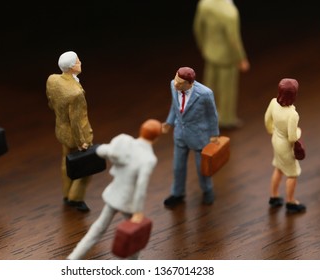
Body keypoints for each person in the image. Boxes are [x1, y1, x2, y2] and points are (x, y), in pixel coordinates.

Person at [67, 119, 162, 260]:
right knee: (133, 234)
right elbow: (141, 187)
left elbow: (104, 150)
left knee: (97, 229)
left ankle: (73, 258)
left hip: (114, 195)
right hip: (128, 203)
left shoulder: (126, 142)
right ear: (156, 138)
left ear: (141, 131)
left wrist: (96, 149)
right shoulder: (149, 158)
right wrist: (138, 211)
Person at [162, 67, 219, 208]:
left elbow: (212, 115)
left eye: (180, 82)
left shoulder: (205, 94)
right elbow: (174, 106)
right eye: (175, 79)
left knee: (202, 168)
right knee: (178, 166)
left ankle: (207, 190)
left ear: (189, 83)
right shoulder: (173, 85)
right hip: (180, 134)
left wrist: (214, 134)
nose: (176, 84)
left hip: (199, 136)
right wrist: (169, 122)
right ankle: (177, 193)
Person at [46, 51, 93, 212]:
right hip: (76, 136)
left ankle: (66, 193)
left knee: (66, 163)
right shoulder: (76, 94)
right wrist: (82, 142)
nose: (81, 62)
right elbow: (76, 121)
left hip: (61, 130)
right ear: (73, 67)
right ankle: (75, 198)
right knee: (85, 166)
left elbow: (51, 102)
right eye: (79, 61)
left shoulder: (52, 79)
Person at [193, 0, 250, 129]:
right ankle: (226, 118)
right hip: (227, 56)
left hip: (210, 51)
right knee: (227, 89)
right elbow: (233, 40)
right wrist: (241, 58)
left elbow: (198, 27)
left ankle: (204, 114)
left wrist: (203, 45)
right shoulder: (229, 13)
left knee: (209, 84)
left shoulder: (204, 4)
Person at [264, 78, 306, 214]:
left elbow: (267, 119)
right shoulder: (292, 114)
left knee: (278, 167)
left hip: (276, 140)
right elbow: (293, 137)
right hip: (286, 146)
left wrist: (272, 130)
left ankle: (274, 196)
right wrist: (299, 131)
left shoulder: (273, 103)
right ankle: (291, 201)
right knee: (292, 174)